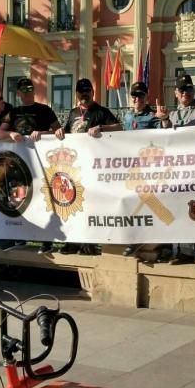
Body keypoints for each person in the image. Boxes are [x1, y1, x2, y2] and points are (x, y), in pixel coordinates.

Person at [0, 79, 62, 254]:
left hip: (41, 163)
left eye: (30, 90)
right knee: (20, 200)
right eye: (23, 90)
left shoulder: (44, 110)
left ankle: (46, 241)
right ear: (18, 93)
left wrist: (43, 133)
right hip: (19, 164)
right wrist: (11, 133)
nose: (27, 93)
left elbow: (60, 131)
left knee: (42, 200)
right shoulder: (13, 112)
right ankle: (19, 237)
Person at [58, 78, 121, 255]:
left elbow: (119, 128)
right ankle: (73, 242)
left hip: (94, 169)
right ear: (76, 94)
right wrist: (59, 131)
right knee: (72, 205)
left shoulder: (101, 111)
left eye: (87, 91)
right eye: (81, 91)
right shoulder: (72, 113)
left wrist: (101, 128)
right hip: (74, 168)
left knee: (91, 207)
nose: (84, 94)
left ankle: (89, 244)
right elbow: (66, 132)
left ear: (92, 92)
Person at [159, 75, 195, 267]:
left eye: (188, 90)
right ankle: (183, 251)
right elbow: (165, 141)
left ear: (193, 92)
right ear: (176, 93)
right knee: (179, 209)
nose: (185, 93)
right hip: (178, 171)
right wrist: (164, 120)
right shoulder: (171, 115)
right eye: (181, 90)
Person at [121, 81, 165, 260]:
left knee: (149, 206)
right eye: (134, 95)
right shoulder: (127, 117)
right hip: (131, 169)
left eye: (140, 95)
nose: (136, 99)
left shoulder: (153, 117)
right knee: (131, 204)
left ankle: (156, 244)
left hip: (150, 169)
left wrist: (163, 120)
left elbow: (164, 139)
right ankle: (133, 239)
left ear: (146, 97)